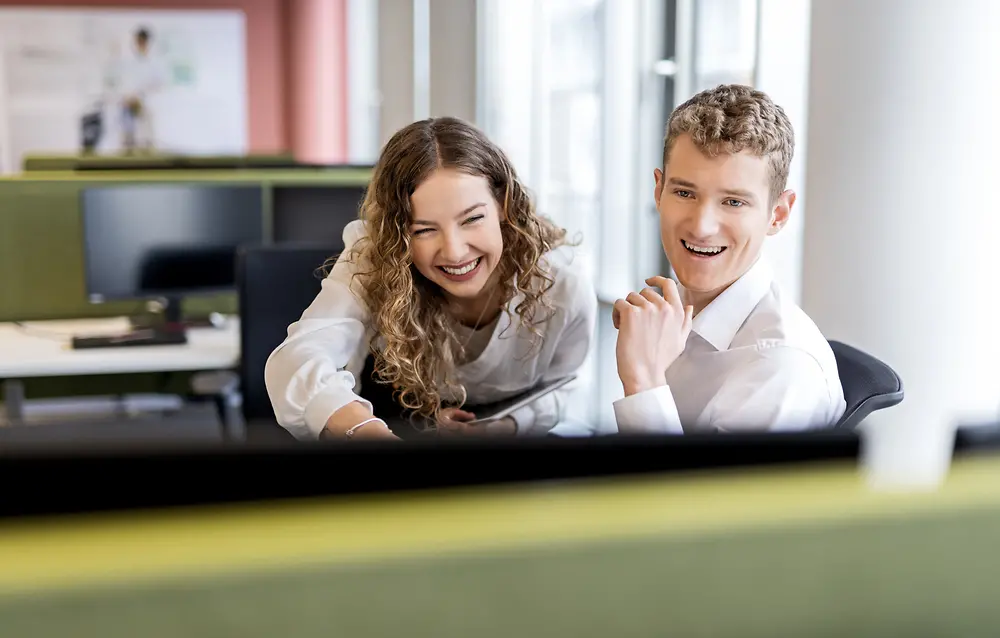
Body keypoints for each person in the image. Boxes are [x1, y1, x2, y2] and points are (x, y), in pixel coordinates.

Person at [265, 117, 597, 440]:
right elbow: (297, 362)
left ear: (503, 206)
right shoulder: (378, 255)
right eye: (423, 230)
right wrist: (367, 432)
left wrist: (501, 428)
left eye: (472, 219)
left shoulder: (562, 283)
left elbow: (565, 387)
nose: (454, 252)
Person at [612, 84, 846, 433]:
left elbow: (684, 490)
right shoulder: (671, 319)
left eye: (734, 202)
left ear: (778, 214)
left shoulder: (780, 369)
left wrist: (643, 380)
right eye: (685, 192)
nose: (702, 227)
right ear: (659, 191)